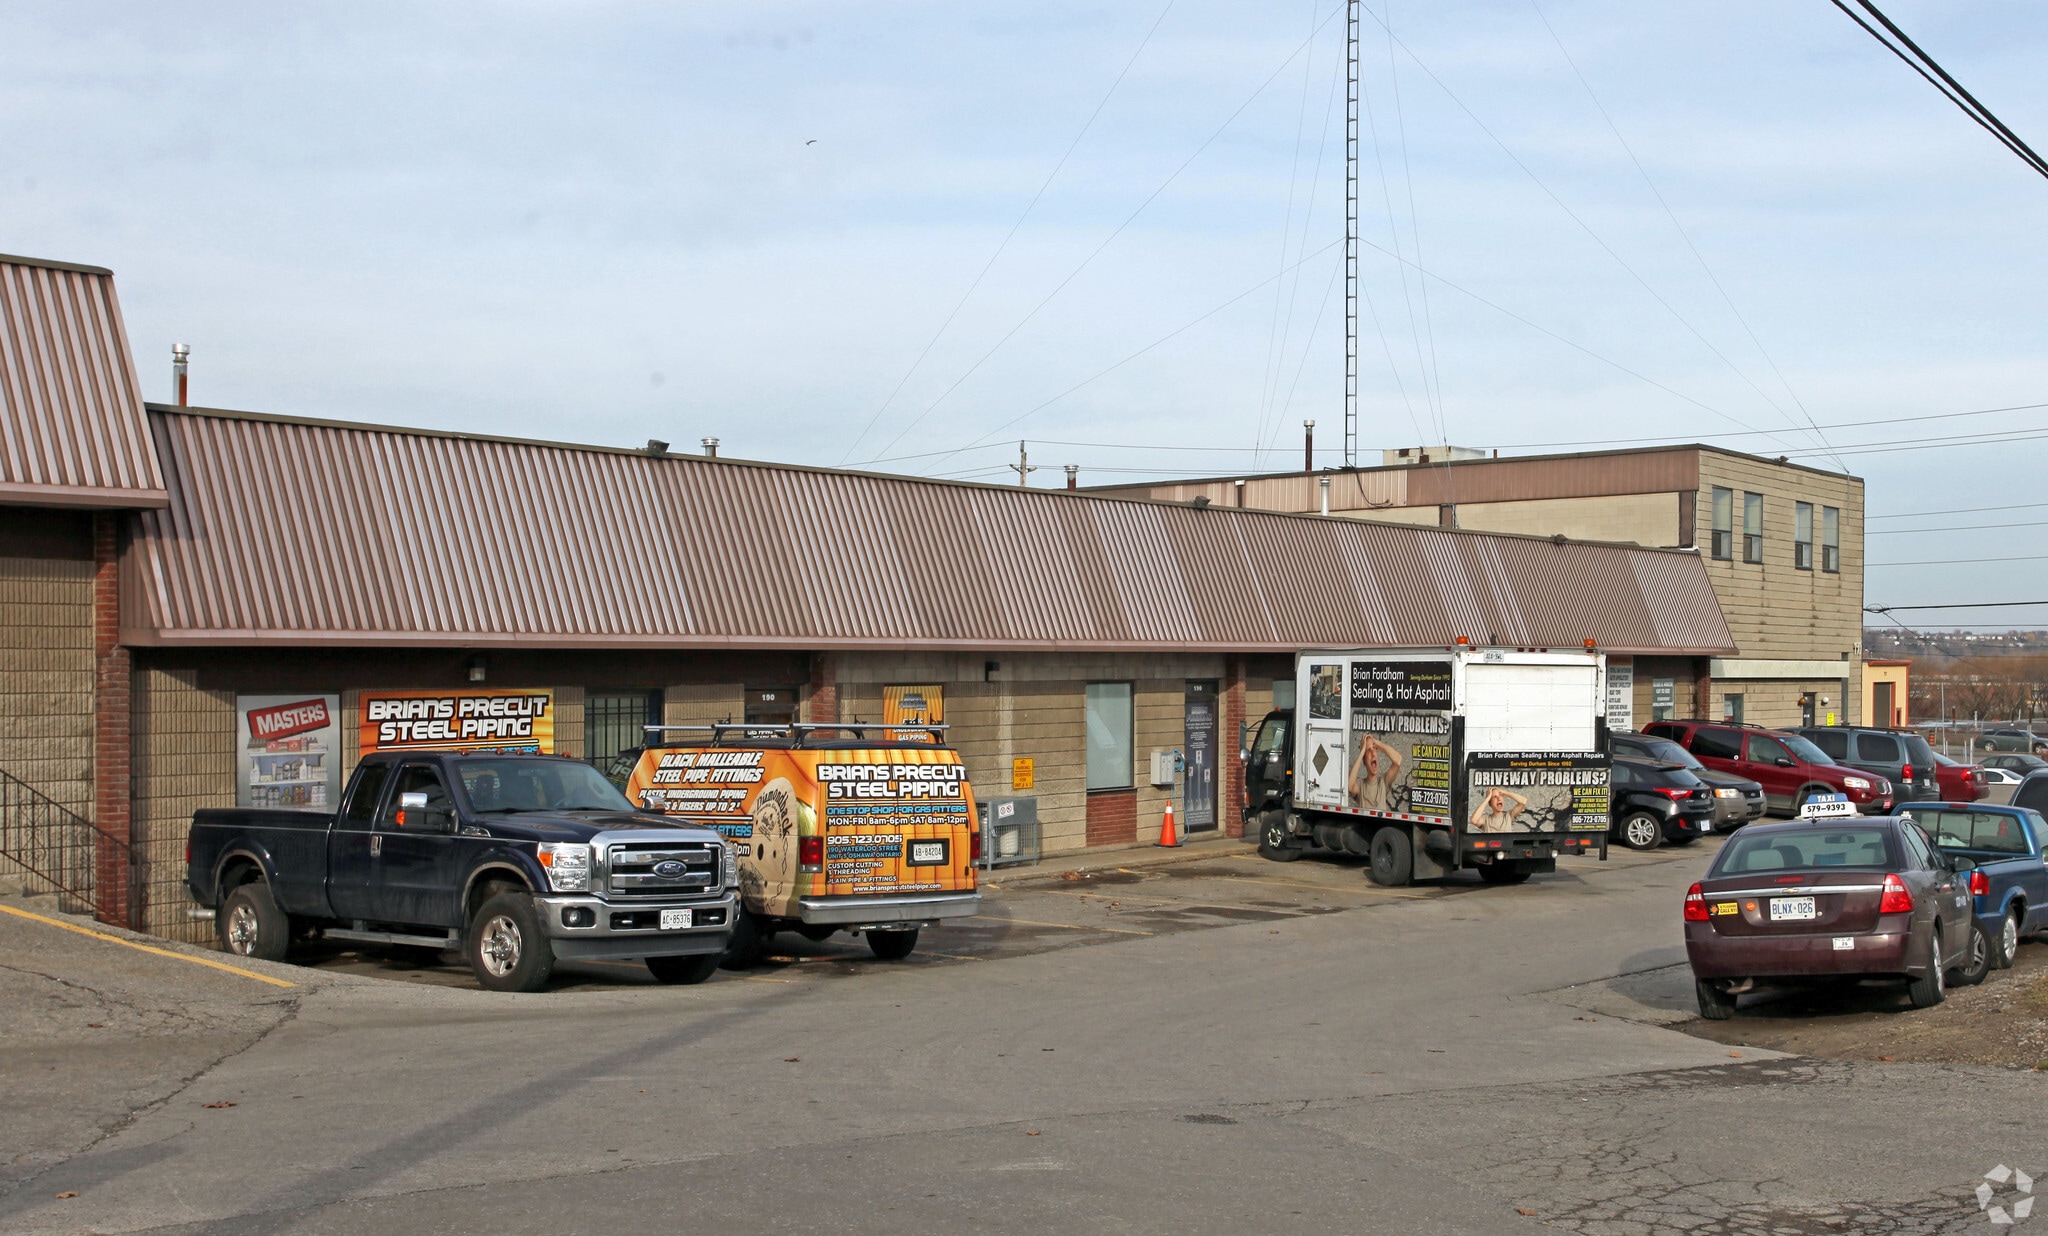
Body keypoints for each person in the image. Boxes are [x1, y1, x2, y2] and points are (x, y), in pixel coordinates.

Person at [1348, 733, 1403, 812]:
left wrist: (1376, 742)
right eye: (1369, 750)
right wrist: (1362, 751)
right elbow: (1349, 786)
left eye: (1374, 748)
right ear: (1364, 761)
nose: (1373, 753)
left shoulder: (1383, 783)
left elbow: (1398, 761)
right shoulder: (1360, 785)